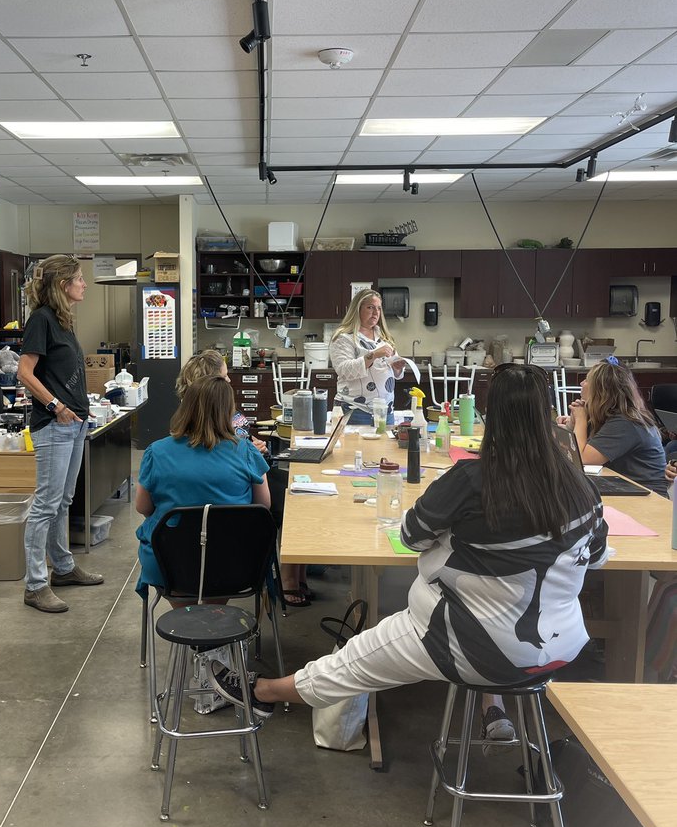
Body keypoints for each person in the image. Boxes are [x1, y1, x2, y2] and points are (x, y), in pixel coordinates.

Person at [209, 364, 609, 752]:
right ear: (548, 417)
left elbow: (412, 536)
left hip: (466, 643)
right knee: (500, 608)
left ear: (493, 420)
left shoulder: (471, 480)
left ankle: (264, 692)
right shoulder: (581, 487)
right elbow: (595, 556)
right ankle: (493, 704)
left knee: (354, 661)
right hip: (559, 646)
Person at [174, 351, 311, 605]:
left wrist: (253, 445)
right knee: (293, 500)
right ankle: (291, 576)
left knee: (295, 486)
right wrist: (250, 453)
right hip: (236, 481)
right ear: (209, 385)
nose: (229, 382)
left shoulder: (222, 413)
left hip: (243, 465)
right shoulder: (206, 415)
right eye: (224, 377)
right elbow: (223, 454)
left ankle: (301, 570)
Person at [17, 255, 103, 614]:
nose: (84, 284)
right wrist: (55, 405)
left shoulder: (64, 319)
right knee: (45, 505)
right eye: (79, 279)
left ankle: (64, 568)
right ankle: (35, 585)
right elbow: (24, 372)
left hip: (75, 423)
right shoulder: (41, 320)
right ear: (62, 283)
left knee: (63, 501)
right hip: (55, 425)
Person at [135, 375, 270, 598]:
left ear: (186, 407)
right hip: (235, 565)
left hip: (170, 564)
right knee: (215, 596)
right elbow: (262, 507)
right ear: (229, 411)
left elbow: (143, 507)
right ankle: (214, 616)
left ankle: (186, 618)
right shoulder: (247, 451)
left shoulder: (156, 452)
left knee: (185, 600)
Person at [558, 360, 668, 496]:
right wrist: (573, 423)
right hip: (622, 487)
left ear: (601, 390)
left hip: (648, 496)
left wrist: (581, 420)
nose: (582, 383)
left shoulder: (626, 422)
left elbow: (581, 458)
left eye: (587, 380)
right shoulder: (607, 416)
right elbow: (568, 447)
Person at [329, 290, 404, 424]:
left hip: (385, 410)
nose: (376, 313)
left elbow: (394, 371)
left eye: (379, 308)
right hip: (355, 410)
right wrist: (373, 355)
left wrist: (397, 368)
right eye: (370, 307)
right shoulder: (344, 337)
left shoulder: (384, 337)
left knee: (386, 445)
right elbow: (343, 370)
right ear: (357, 309)